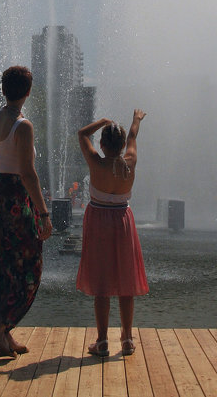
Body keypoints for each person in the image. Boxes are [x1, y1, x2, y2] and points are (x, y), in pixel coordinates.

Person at [0, 65, 53, 358]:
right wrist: (43, 214)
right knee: (29, 269)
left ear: (4, 89)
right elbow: (28, 173)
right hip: (15, 201)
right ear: (28, 91)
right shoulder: (23, 126)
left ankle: (3, 340)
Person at [76, 110, 148, 357]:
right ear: (120, 145)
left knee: (101, 283)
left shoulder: (95, 162)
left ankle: (102, 340)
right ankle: (127, 338)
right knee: (126, 280)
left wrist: (102, 122)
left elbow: (82, 133)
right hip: (122, 220)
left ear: (103, 144)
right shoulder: (130, 162)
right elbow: (133, 136)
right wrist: (136, 119)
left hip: (98, 221)